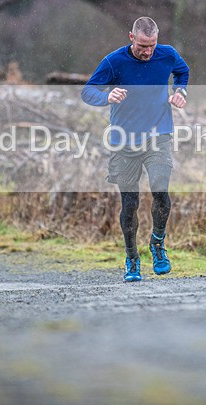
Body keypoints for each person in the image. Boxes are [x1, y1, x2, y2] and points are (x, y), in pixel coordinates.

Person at [81, 17, 189, 282]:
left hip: (158, 135)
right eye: (142, 46)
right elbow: (87, 91)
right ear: (131, 38)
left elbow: (182, 72)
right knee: (130, 204)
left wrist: (180, 92)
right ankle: (132, 258)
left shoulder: (167, 54)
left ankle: (157, 244)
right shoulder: (114, 62)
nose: (147, 52)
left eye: (152, 45)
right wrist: (107, 96)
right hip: (125, 141)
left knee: (161, 190)